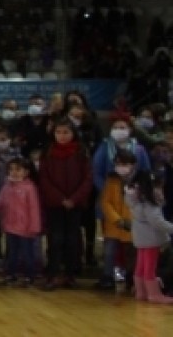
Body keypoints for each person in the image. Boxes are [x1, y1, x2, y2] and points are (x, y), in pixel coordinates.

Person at [39, 121, 92, 291]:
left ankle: (71, 274)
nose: (62, 136)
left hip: (75, 204)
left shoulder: (81, 152)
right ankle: (52, 275)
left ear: (73, 134)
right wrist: (60, 198)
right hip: (55, 204)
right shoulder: (48, 152)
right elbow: (44, 179)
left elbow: (87, 179)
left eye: (66, 132)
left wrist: (74, 199)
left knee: (72, 240)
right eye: (59, 132)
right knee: (55, 240)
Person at [0, 158, 41, 287]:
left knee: (27, 253)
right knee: (12, 253)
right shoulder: (6, 187)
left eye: (18, 169)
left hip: (26, 229)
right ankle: (10, 274)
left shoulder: (29, 188)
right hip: (10, 227)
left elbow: (34, 208)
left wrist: (34, 226)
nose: (14, 172)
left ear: (26, 172)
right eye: (11, 169)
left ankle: (29, 276)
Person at [127, 170, 173, 303]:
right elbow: (157, 222)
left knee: (141, 265)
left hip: (141, 238)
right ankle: (153, 294)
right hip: (151, 238)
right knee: (150, 267)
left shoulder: (136, 200)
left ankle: (141, 292)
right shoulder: (150, 203)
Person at [97, 148, 137, 291]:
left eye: (124, 163)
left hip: (131, 224)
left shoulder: (139, 181)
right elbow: (105, 202)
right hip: (114, 224)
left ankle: (131, 280)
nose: (121, 167)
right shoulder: (111, 179)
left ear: (133, 164)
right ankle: (108, 278)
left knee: (131, 254)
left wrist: (131, 220)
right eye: (118, 163)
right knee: (109, 253)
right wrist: (116, 219)